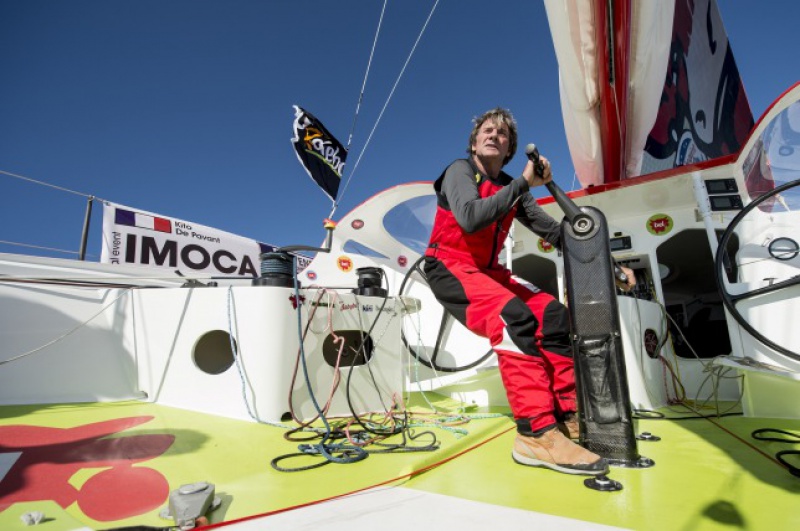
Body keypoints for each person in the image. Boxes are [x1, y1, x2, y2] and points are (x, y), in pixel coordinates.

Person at [423, 107, 635, 475]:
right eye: (486, 131)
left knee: (553, 316)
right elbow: (471, 218)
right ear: (474, 143)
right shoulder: (460, 170)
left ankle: (566, 416)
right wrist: (522, 182)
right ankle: (535, 433)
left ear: (509, 148)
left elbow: (554, 232)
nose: (493, 136)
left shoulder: (512, 187)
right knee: (513, 316)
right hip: (450, 266)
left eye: (502, 134)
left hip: (489, 272)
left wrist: (610, 263)